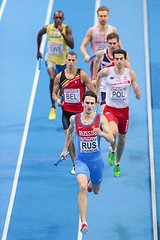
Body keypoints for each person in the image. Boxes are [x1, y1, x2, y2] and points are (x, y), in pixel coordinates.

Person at [60, 91, 114, 233]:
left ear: (95, 104)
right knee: (82, 187)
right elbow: (70, 132)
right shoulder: (75, 119)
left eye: (92, 103)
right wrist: (65, 149)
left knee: (95, 191)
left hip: (96, 162)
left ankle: (92, 183)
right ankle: (84, 222)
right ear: (82, 103)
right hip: (81, 160)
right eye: (87, 103)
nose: (89, 106)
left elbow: (112, 139)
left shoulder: (100, 119)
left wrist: (101, 133)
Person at [96, 49, 141, 177]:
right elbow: (98, 75)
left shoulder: (130, 74)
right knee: (113, 132)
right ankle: (112, 147)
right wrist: (96, 92)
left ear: (125, 59)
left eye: (121, 59)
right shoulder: (107, 72)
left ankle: (117, 162)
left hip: (124, 111)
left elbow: (138, 95)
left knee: (122, 139)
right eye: (117, 59)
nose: (119, 61)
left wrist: (137, 92)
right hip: (110, 109)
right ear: (114, 60)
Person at [52, 52, 96, 175]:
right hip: (66, 113)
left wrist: (91, 106)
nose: (71, 62)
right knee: (69, 138)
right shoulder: (59, 77)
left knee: (83, 139)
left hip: (81, 113)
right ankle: (75, 163)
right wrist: (57, 100)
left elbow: (93, 92)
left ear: (76, 61)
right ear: (65, 60)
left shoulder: (82, 75)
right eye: (69, 60)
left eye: (73, 60)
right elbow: (54, 93)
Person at [37, 10, 74, 120]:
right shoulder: (47, 28)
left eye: (60, 18)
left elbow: (72, 45)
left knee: (63, 84)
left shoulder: (67, 29)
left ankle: (63, 100)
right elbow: (39, 34)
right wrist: (38, 50)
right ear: (53, 18)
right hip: (51, 59)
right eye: (56, 17)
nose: (57, 20)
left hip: (63, 61)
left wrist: (62, 33)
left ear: (63, 19)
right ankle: (53, 106)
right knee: (52, 78)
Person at [80, 6, 122, 79]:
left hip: (110, 61)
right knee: (95, 84)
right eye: (101, 16)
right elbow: (82, 46)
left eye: (105, 16)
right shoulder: (92, 31)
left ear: (108, 16)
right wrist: (86, 55)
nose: (103, 18)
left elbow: (120, 46)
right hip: (96, 62)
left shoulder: (112, 30)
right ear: (98, 17)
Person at [93, 32, 130, 111]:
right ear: (107, 43)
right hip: (105, 88)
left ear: (118, 43)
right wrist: (94, 77)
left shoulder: (124, 56)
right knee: (105, 112)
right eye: (110, 43)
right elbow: (96, 62)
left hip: (117, 88)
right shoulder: (101, 54)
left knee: (117, 111)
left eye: (114, 43)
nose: (112, 45)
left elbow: (129, 70)